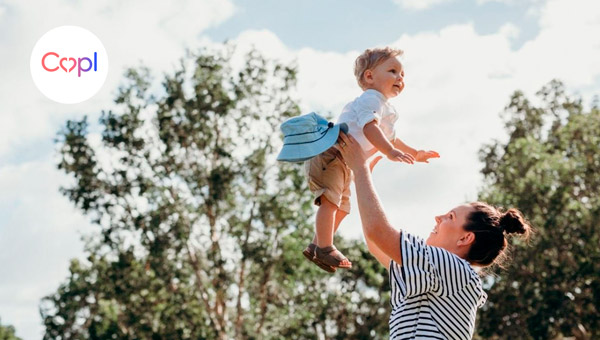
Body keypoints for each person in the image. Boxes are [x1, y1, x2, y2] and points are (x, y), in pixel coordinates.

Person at [336, 132, 532, 339]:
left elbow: (378, 232)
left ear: (465, 238)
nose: (438, 217)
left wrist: (360, 168)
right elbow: (376, 242)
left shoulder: (453, 268)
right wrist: (362, 178)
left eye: (450, 217)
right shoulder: (444, 273)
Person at [302, 47, 440, 272]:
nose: (400, 78)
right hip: (332, 153)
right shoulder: (371, 99)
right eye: (393, 71)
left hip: (345, 161)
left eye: (402, 74)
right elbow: (370, 129)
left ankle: (317, 245)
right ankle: (325, 247)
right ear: (369, 76)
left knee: (343, 208)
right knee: (330, 202)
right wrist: (388, 151)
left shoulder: (385, 107)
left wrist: (416, 153)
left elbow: (392, 139)